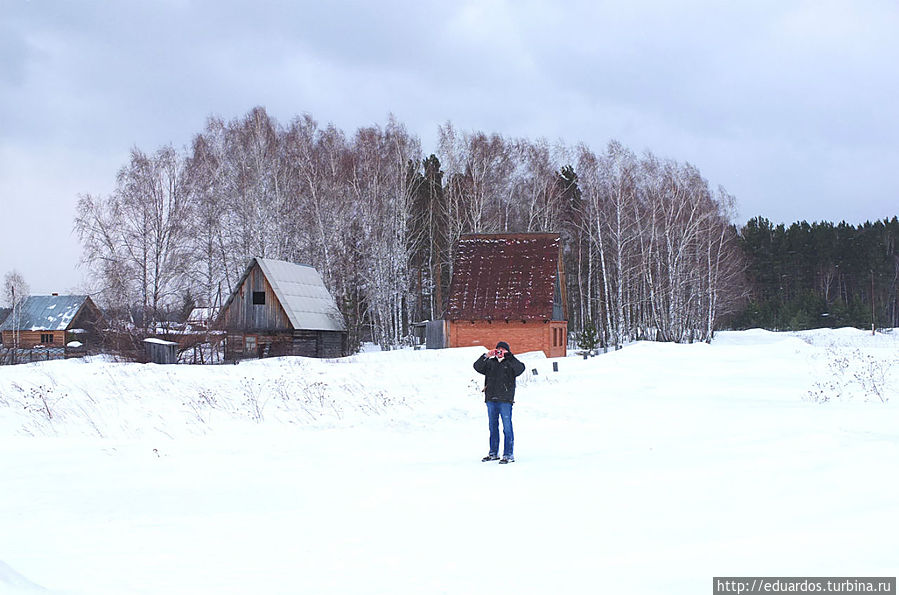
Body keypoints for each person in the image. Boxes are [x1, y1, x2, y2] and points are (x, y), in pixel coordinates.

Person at [473, 341, 525, 464]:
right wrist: (486, 355)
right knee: (493, 427)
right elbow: (477, 366)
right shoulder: (490, 363)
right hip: (491, 399)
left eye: (502, 350)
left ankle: (508, 454)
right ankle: (493, 453)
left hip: (505, 400)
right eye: (498, 350)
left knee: (507, 427)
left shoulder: (510, 363)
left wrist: (510, 356)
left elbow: (520, 369)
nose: (500, 352)